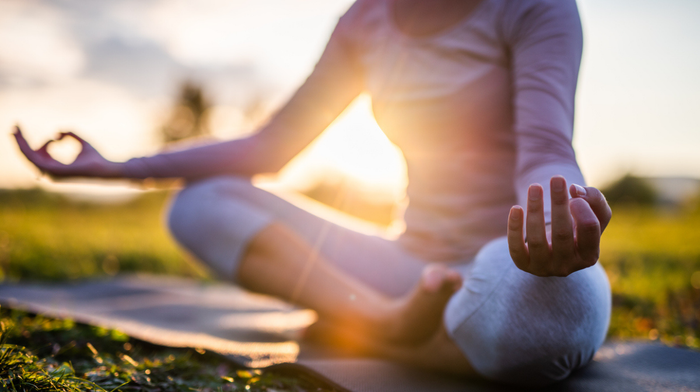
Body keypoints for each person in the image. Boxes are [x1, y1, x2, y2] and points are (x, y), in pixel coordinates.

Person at [14, 0, 613, 387]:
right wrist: (114, 167)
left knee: (551, 317)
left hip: (506, 265)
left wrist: (555, 214)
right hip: (406, 269)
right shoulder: (365, 23)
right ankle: (385, 323)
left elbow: (544, 150)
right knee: (200, 203)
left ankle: (374, 326)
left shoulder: (535, 8)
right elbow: (269, 148)